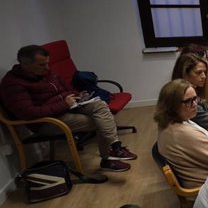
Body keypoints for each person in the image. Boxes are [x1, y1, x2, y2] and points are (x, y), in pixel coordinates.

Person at [0, 45, 136, 172]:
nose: (47, 68)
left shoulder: (46, 73)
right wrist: (64, 104)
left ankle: (115, 147)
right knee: (101, 120)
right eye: (42, 65)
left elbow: (67, 88)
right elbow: (29, 113)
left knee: (100, 105)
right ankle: (108, 159)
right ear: (25, 65)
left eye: (48, 63)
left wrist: (78, 95)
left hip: (67, 108)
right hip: (47, 122)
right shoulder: (12, 84)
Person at [154, 79, 208, 188]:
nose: (195, 104)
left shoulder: (170, 122)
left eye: (195, 99)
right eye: (188, 101)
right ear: (172, 105)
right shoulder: (181, 132)